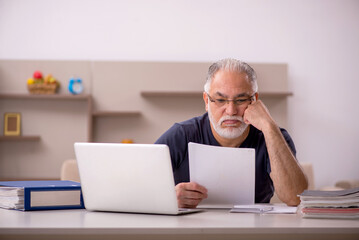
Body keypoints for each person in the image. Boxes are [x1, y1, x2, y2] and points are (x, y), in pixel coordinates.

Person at [155, 58, 308, 207]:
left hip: (255, 230)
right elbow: (136, 185)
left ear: (254, 100)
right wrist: (167, 197)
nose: (231, 111)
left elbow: (295, 198)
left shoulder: (274, 136)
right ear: (207, 101)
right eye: (220, 100)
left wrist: (268, 126)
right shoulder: (181, 135)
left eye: (240, 100)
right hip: (192, 229)